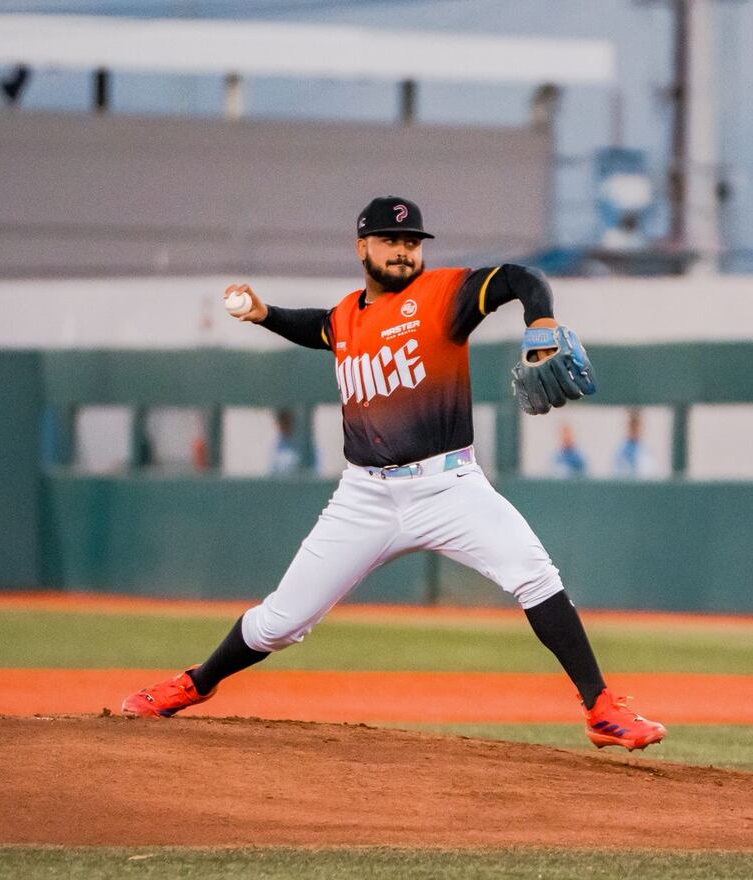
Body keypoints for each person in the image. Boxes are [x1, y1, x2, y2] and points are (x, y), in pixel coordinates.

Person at [122, 196, 665, 751]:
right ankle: (195, 683)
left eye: (411, 243)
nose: (404, 252)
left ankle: (599, 708)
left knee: (535, 575)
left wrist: (541, 319)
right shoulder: (347, 316)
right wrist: (265, 315)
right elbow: (320, 329)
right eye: (390, 241)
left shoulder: (443, 296)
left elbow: (519, 278)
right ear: (362, 248)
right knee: (279, 623)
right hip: (364, 497)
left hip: (449, 487)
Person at [612, 408, 657, 478]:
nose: (635, 428)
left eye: (637, 425)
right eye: (632, 425)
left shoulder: (646, 451)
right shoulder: (620, 452)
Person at [269, 408, 302, 475]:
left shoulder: (303, 445)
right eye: (281, 421)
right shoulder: (275, 447)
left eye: (286, 421)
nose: (284, 425)